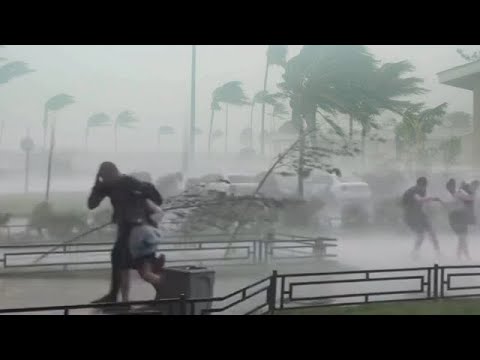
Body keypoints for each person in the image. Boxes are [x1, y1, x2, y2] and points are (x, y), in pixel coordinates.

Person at [87, 161, 163, 304]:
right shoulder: (108, 186)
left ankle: (162, 290)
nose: (107, 179)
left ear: (114, 172)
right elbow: (92, 204)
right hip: (127, 229)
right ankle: (119, 298)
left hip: (139, 229)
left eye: (108, 176)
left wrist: (142, 200)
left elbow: (156, 199)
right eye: (103, 177)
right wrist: (97, 185)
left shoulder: (130, 182)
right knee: (122, 261)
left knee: (136, 266)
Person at [402, 177, 441, 259]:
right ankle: (415, 252)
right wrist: (432, 198)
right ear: (422, 185)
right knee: (421, 234)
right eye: (425, 186)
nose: (425, 188)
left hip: (419, 214)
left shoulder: (418, 190)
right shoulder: (415, 190)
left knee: (431, 232)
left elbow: (421, 202)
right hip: (411, 215)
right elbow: (419, 199)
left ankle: (438, 252)